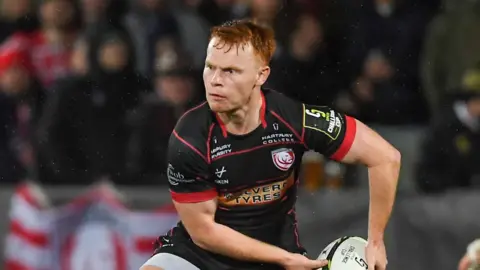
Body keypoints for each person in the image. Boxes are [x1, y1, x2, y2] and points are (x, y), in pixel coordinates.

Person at [141, 19, 400, 270]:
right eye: (210, 67)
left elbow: (385, 157)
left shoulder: (296, 119)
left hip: (273, 259)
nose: (215, 80)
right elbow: (204, 233)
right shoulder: (189, 137)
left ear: (260, 75)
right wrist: (284, 259)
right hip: (202, 255)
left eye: (230, 71)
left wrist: (375, 241)